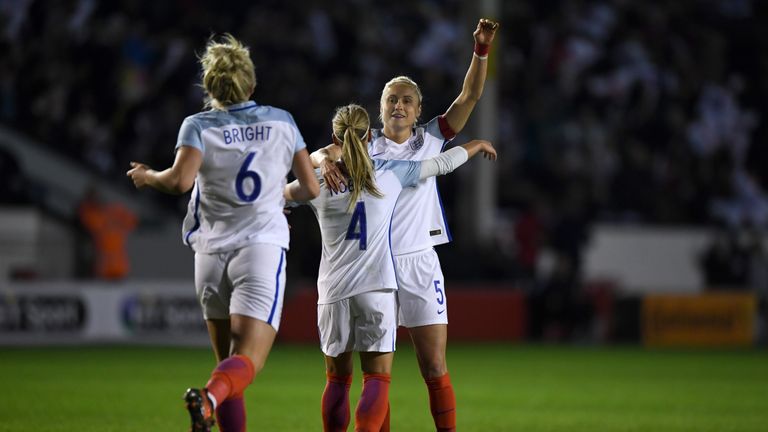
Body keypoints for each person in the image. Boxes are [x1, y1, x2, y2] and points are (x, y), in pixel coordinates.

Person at [311, 18, 499, 431]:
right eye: (392, 99)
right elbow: (318, 152)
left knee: (433, 364)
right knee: (377, 375)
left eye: (407, 100)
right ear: (380, 108)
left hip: (416, 262)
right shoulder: (362, 145)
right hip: (371, 267)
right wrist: (323, 160)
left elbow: (469, 96)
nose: (398, 105)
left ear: (418, 110)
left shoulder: (430, 140)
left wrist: (481, 50)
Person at [126, 34, 319, 432]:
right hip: (260, 249)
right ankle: (208, 398)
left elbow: (179, 182)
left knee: (226, 369)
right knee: (247, 362)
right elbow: (310, 188)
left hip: (210, 255)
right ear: (250, 84)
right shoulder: (281, 121)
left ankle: (212, 399)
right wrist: (282, 193)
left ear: (210, 88)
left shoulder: (198, 125)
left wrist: (147, 176)